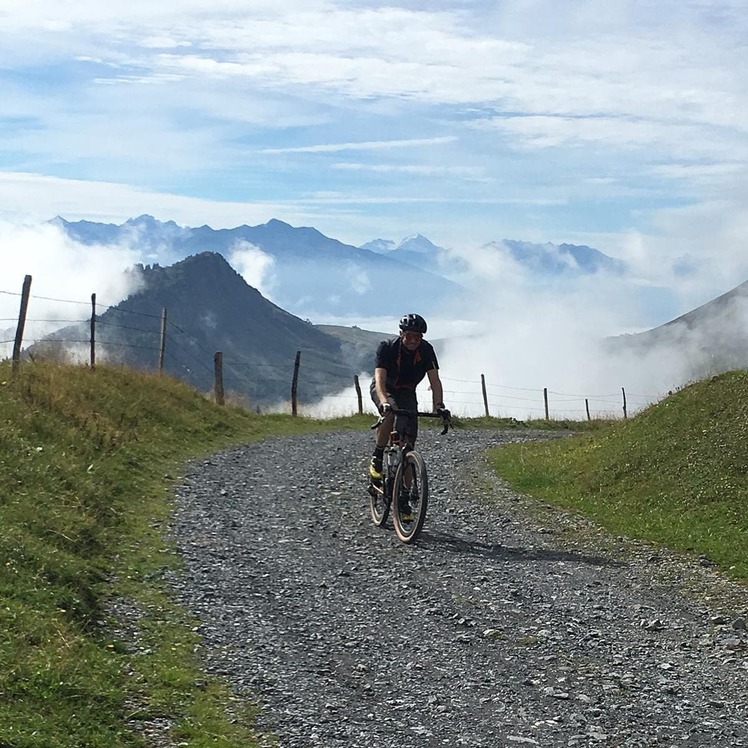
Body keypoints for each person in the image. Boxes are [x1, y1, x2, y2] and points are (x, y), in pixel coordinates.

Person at [369, 313, 448, 482]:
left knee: (408, 446)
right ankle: (377, 456)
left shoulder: (426, 350)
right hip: (384, 388)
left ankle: (404, 498)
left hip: (407, 392)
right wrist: (384, 403)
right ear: (401, 334)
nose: (413, 340)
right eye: (410, 335)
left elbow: (435, 381)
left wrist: (439, 406)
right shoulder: (387, 347)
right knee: (390, 414)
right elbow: (379, 379)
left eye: (418, 337)